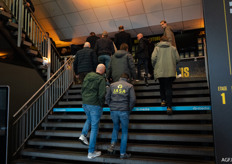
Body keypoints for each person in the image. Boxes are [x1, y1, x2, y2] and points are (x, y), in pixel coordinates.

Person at [78, 64, 106, 159]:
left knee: (89, 119)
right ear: (103, 71)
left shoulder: (87, 76)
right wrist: (101, 104)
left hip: (85, 103)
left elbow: (82, 89)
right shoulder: (101, 79)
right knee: (94, 129)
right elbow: (102, 94)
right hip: (95, 104)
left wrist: (84, 100)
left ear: (96, 69)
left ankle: (83, 134)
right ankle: (91, 152)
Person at [105, 73, 136, 159]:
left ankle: (113, 143)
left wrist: (111, 106)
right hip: (124, 110)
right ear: (128, 78)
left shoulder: (112, 85)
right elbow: (133, 100)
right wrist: (128, 109)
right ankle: (122, 153)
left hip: (114, 110)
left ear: (120, 78)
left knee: (115, 127)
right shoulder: (129, 86)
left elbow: (107, 97)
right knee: (124, 132)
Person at [151, 36, 180, 115]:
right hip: (170, 72)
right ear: (167, 41)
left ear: (160, 41)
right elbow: (177, 59)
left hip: (160, 71)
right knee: (168, 87)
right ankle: (169, 106)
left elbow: (153, 59)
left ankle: (163, 100)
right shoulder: (173, 48)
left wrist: (155, 66)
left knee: (162, 85)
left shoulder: (157, 48)